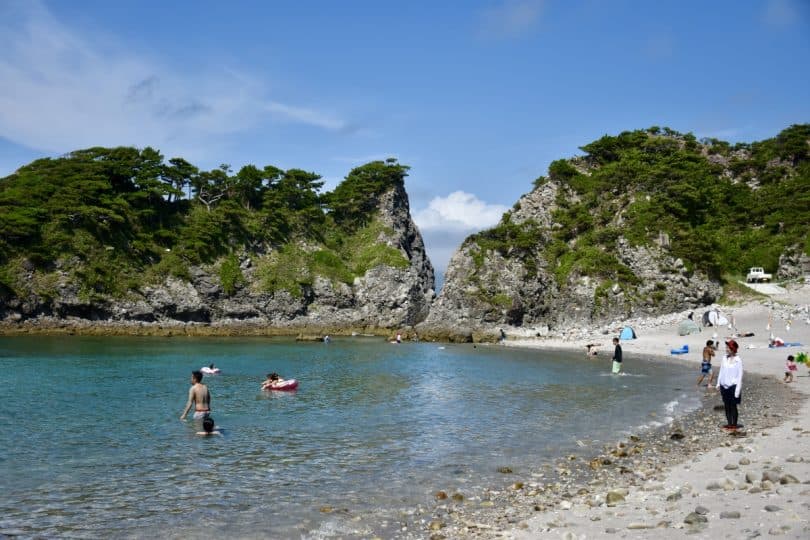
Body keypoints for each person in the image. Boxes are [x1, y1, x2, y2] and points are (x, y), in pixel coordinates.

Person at [716, 339, 743, 431]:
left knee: (733, 406)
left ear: (732, 349)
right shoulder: (724, 358)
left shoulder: (738, 360)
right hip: (724, 386)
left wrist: (737, 390)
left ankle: (734, 424)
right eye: (726, 347)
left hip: (733, 386)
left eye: (728, 347)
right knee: (726, 406)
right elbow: (721, 371)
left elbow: (740, 376)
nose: (726, 349)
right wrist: (718, 383)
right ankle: (729, 424)